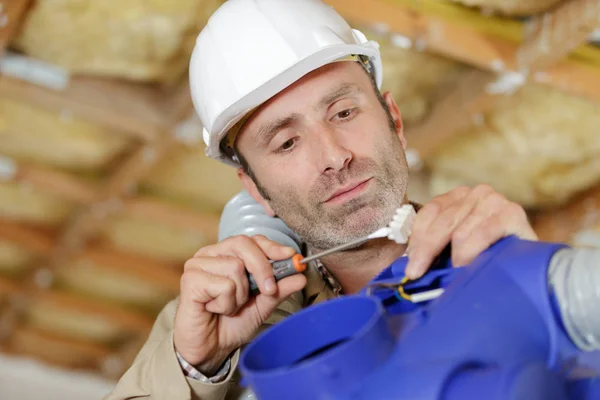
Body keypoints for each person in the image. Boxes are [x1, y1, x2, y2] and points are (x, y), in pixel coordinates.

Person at [105, 1, 537, 399]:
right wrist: (195, 368)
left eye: (343, 113)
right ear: (255, 190)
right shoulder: (214, 319)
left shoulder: (494, 252)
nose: (334, 156)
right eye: (288, 142)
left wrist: (537, 290)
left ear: (396, 122)